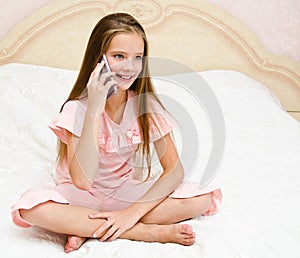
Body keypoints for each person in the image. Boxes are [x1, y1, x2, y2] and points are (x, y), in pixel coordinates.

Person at [11, 12, 222, 253]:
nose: (129, 67)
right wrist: (94, 109)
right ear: (97, 59)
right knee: (32, 208)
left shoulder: (144, 105)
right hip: (80, 196)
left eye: (137, 58)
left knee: (202, 198)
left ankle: (85, 227)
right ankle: (140, 232)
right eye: (118, 56)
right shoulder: (77, 109)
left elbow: (174, 171)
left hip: (124, 193)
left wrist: (131, 213)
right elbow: (83, 180)